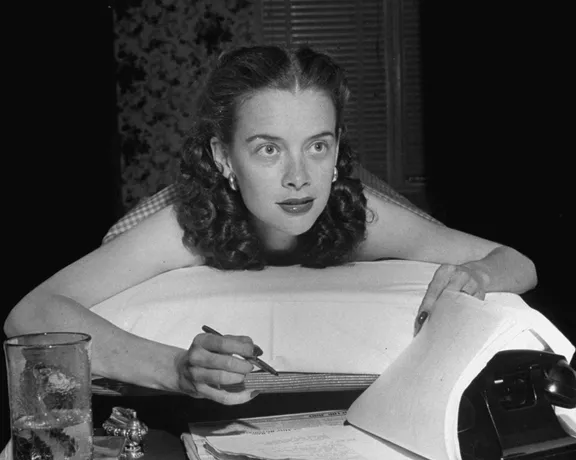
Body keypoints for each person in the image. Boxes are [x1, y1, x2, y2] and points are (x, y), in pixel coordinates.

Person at [4, 45, 537, 405]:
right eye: (267, 150)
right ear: (224, 158)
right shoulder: (182, 224)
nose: (299, 179)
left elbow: (515, 261)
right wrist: (175, 370)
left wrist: (478, 279)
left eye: (318, 146)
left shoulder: (358, 212)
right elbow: (31, 312)